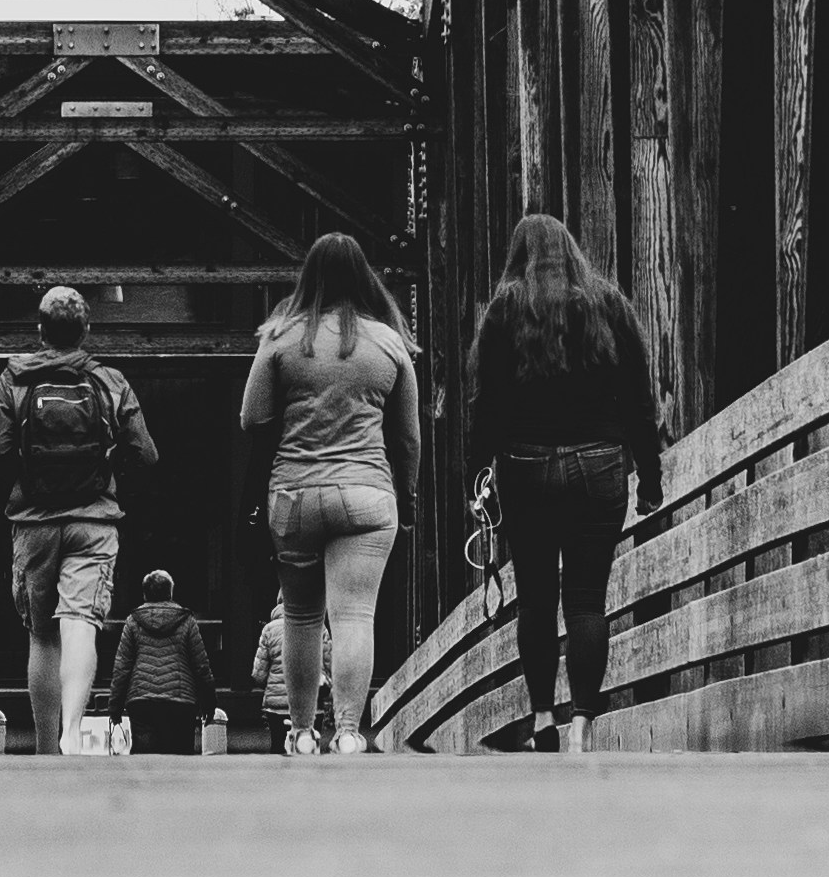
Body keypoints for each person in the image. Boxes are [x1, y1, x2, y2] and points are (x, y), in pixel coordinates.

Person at [462, 213, 662, 753]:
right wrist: (650, 476)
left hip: (525, 467)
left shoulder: (504, 309)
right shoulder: (608, 304)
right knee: (586, 600)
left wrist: (479, 474)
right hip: (598, 466)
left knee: (535, 599)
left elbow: (486, 404)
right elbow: (639, 398)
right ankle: (581, 727)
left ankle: (543, 717)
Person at [237, 231, 420, 754]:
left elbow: (251, 417)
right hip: (367, 493)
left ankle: (299, 732)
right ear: (365, 277)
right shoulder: (389, 342)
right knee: (355, 615)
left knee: (300, 615)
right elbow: (407, 438)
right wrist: (405, 500)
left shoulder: (281, 336)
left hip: (295, 494)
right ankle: (346, 731)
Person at [0, 283, 157, 753]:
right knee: (80, 622)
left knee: (41, 635)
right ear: (87, 330)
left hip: (33, 521)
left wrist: (26, 480)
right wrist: (108, 474)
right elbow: (146, 453)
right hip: (94, 520)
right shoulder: (110, 381)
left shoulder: (13, 380)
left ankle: (44, 746)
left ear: (40, 330)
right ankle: (74, 733)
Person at [105, 569, 218, 759]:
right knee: (180, 763)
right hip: (180, 702)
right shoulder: (187, 621)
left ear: (145, 594)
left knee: (145, 763)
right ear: (170, 592)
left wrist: (114, 708)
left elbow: (122, 668)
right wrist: (209, 704)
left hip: (142, 702)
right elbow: (201, 666)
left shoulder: (133, 622)